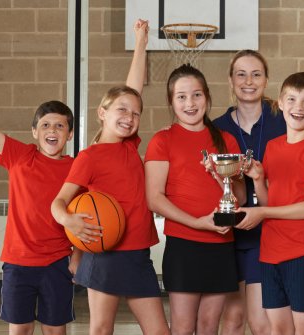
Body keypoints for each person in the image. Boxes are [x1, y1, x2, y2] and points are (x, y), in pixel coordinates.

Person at [51, 19, 170, 335]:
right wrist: (69, 221)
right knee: (102, 329)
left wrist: (141, 43)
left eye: (135, 114)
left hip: (138, 254)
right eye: (121, 110)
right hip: (104, 254)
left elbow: (134, 89)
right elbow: (59, 202)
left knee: (159, 330)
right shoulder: (89, 157)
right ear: (103, 113)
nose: (129, 117)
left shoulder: (131, 145)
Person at [0, 63, 77, 335]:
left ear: (70, 134)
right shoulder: (20, 155)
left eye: (60, 125)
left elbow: (87, 216)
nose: (53, 130)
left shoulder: (77, 168)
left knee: (55, 330)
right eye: (46, 125)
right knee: (21, 329)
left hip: (58, 261)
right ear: (35, 132)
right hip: (18, 262)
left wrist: (79, 257)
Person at [144, 63, 246, 335]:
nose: (190, 103)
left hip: (221, 243)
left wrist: (220, 179)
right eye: (181, 96)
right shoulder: (162, 140)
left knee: (209, 326)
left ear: (207, 97)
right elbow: (154, 198)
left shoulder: (226, 141)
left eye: (197, 95)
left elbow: (240, 197)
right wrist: (198, 223)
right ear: (171, 101)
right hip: (184, 246)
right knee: (183, 327)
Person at [236, 72, 304, 335]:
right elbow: (270, 200)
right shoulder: (273, 146)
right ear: (280, 103)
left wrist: (262, 211)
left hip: (303, 253)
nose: (298, 108)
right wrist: (258, 180)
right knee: (278, 330)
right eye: (291, 99)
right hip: (270, 253)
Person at [213, 49, 286, 335]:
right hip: (229, 233)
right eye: (240, 74)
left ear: (266, 80)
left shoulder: (282, 120)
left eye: (256, 74)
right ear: (231, 81)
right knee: (232, 320)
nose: (248, 81)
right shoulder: (217, 128)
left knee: (261, 322)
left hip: (266, 232)